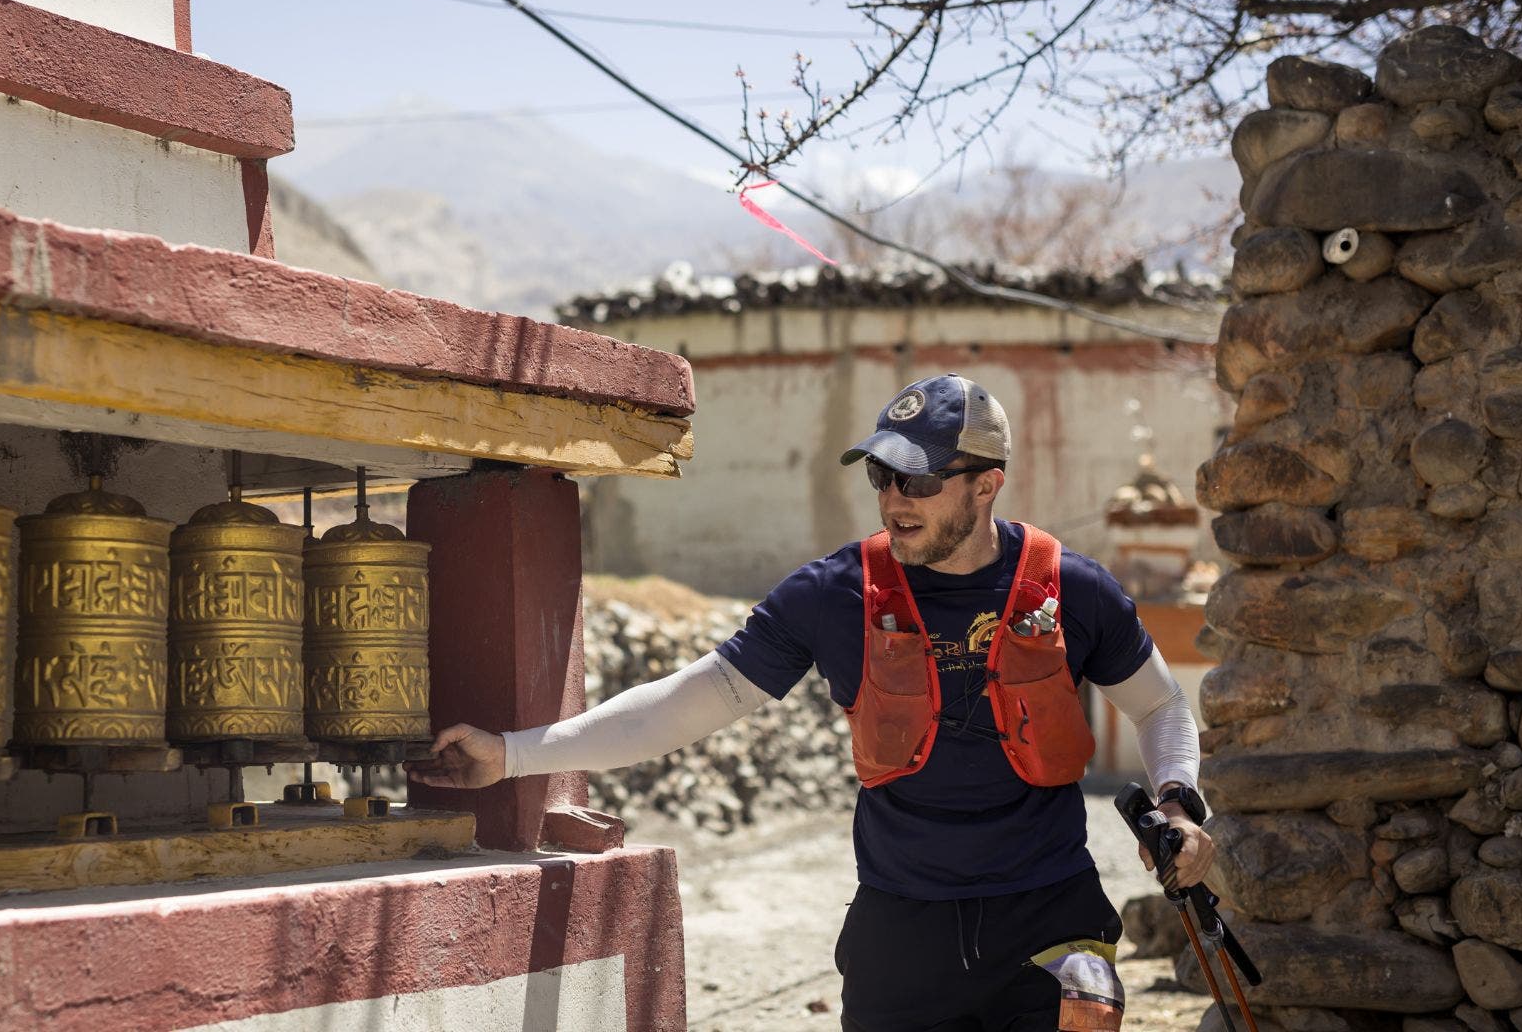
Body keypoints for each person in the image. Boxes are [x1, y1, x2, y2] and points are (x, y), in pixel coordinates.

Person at [409, 372, 1213, 1032]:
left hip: (1047, 914)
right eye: (881, 474)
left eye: (921, 479)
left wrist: (1178, 805)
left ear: (986, 485)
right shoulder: (834, 593)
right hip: (903, 927)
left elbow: (1161, 708)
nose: (895, 497)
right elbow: (686, 703)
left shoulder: (1073, 589)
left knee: (1081, 1022)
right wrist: (514, 753)